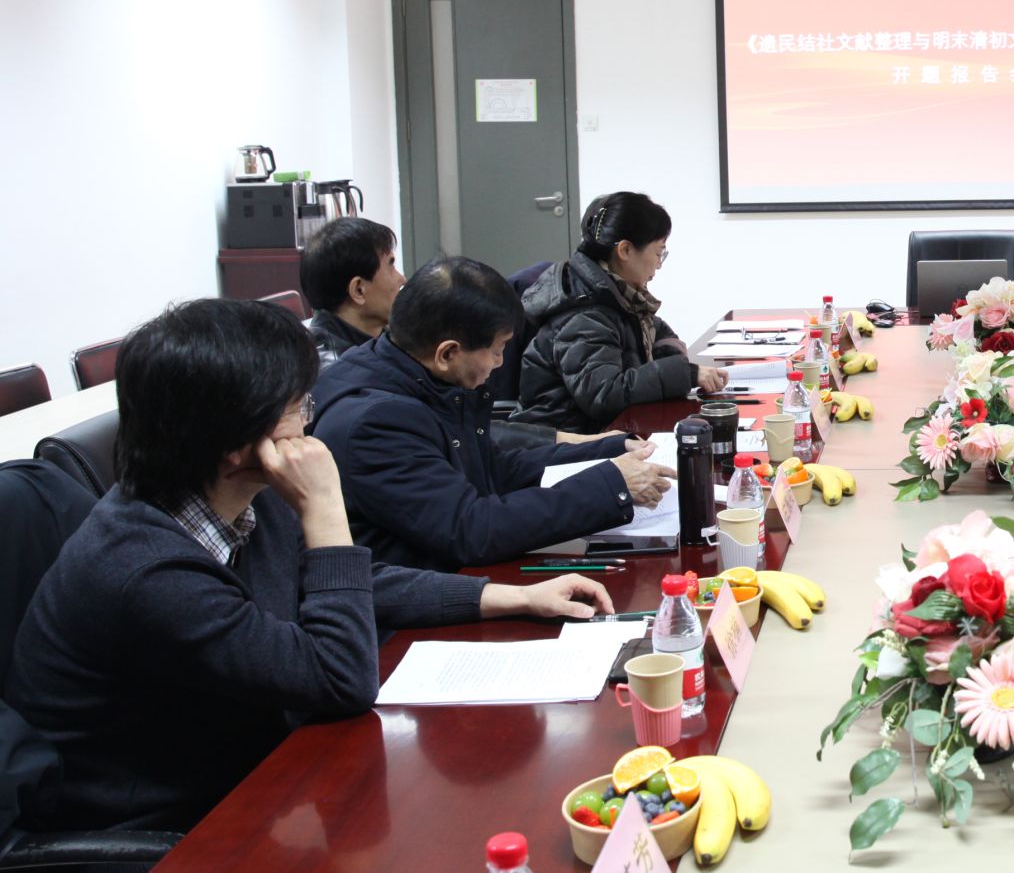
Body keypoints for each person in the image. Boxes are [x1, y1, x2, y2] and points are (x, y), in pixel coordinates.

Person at [3, 298, 613, 833]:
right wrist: (324, 506)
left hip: (255, 762)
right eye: (298, 406)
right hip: (179, 821)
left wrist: (507, 598)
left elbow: (341, 579)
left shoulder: (235, 496)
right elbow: (341, 679)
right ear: (236, 442)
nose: (310, 422)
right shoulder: (146, 570)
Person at [313, 257, 675, 571]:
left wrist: (608, 450)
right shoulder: (377, 423)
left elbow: (491, 468)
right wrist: (611, 487)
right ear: (447, 353)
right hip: (420, 602)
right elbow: (470, 529)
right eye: (497, 350)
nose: (500, 363)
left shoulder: (422, 378)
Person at [516, 192, 723, 434]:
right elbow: (604, 395)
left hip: (607, 430)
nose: (659, 264)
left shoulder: (613, 292)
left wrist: (669, 359)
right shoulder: (583, 314)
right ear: (625, 250)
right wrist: (683, 374)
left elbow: (657, 329)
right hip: (569, 440)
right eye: (658, 253)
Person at [300, 215, 404, 367]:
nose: (402, 279)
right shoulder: (338, 373)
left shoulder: (387, 337)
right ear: (358, 290)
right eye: (391, 266)